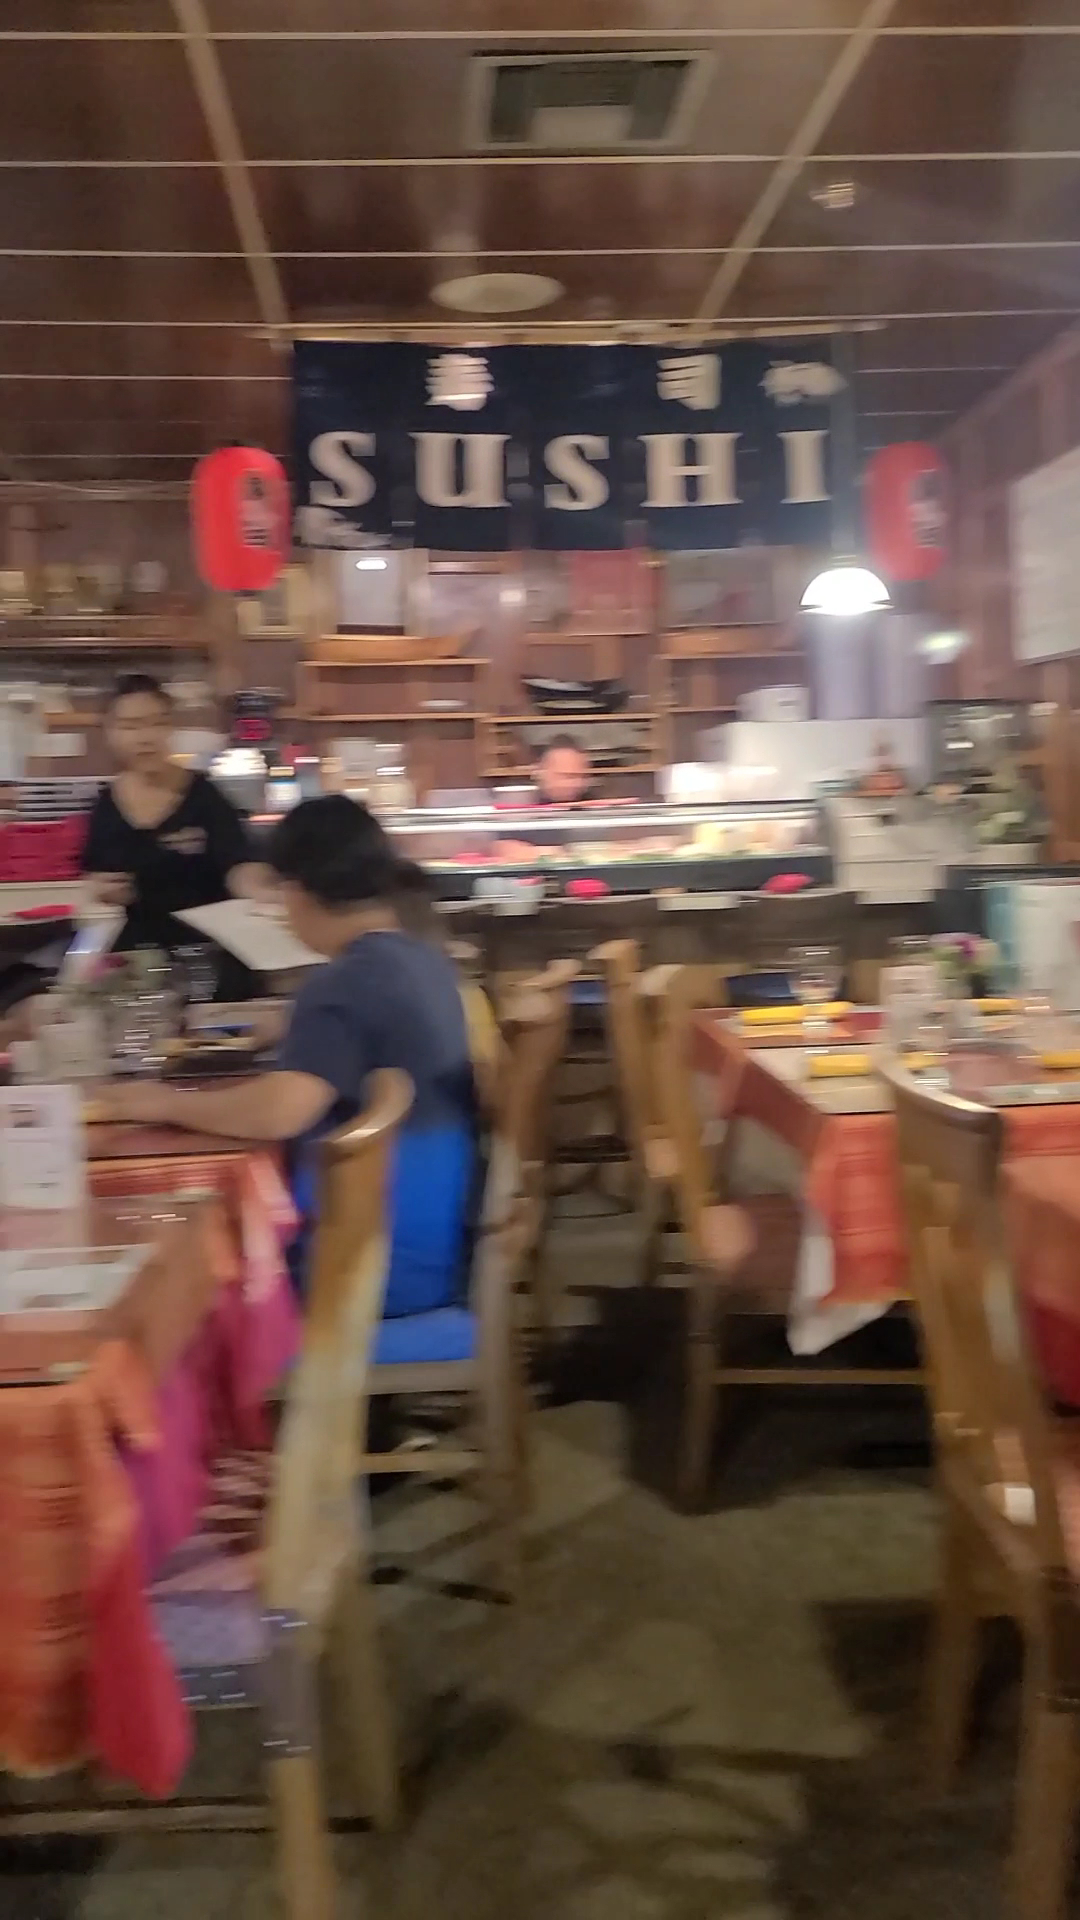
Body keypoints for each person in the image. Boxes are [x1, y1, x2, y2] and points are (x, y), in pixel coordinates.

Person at [104, 795, 480, 1315]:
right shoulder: (422, 959)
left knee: (163, 1286)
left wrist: (162, 1103)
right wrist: (294, 1021)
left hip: (362, 1272)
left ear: (296, 892)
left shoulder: (342, 983)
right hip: (430, 1251)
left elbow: (280, 1112)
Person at [81, 673, 264, 963]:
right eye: (131, 726)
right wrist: (103, 891)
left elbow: (239, 864)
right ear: (110, 733)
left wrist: (258, 889)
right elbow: (97, 876)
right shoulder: (105, 805)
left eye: (158, 723)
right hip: (136, 955)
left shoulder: (205, 795)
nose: (146, 738)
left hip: (208, 950)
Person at [534, 734, 592, 807]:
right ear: (541, 774)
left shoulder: (597, 807)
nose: (574, 784)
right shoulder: (525, 806)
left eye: (580, 776)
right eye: (566, 776)